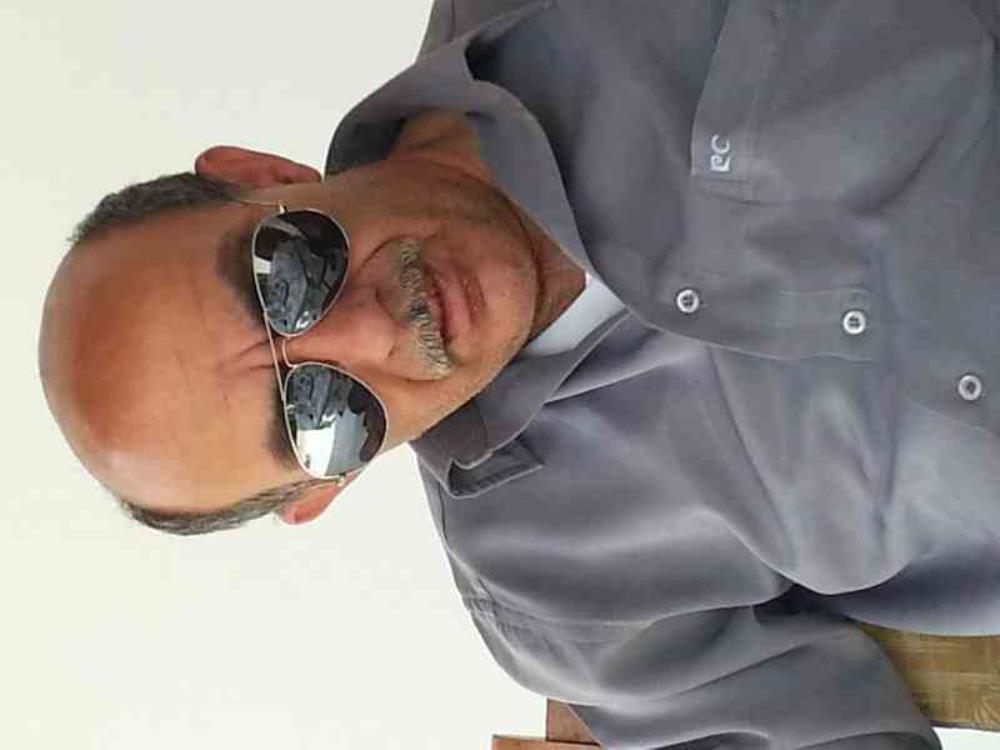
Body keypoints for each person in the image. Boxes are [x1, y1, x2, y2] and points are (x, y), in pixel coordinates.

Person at [38, 1, 1000, 747]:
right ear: (324, 489)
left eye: (286, 276)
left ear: (261, 174)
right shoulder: (562, 594)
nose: (370, 328)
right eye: (316, 415)